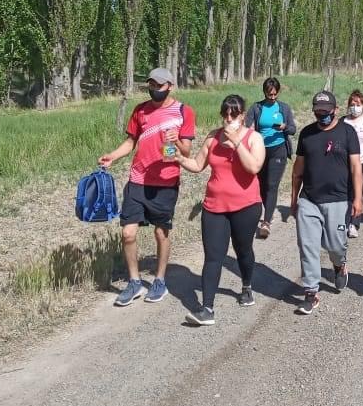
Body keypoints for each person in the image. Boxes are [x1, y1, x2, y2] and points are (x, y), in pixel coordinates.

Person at [99, 68, 196, 307]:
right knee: (127, 233)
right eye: (151, 85)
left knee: (160, 233)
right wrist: (113, 156)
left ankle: (159, 280)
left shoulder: (183, 111)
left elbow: (186, 151)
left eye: (159, 86)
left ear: (170, 86)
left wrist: (174, 142)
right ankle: (134, 282)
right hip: (138, 179)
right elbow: (131, 141)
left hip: (165, 182)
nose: (155, 90)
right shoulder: (140, 110)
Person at [177, 95, 266, 326]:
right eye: (225, 113)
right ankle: (207, 308)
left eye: (234, 114)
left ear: (242, 116)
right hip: (214, 207)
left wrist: (236, 143)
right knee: (213, 256)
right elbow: (197, 165)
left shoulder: (253, 138)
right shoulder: (212, 138)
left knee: (243, 250)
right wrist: (178, 158)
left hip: (246, 206)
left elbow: (254, 167)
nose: (229, 118)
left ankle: (246, 285)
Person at [290, 91, 363, 315]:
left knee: (335, 245)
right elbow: (298, 169)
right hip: (309, 199)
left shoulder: (347, 132)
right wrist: (294, 198)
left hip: (338, 199)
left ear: (335, 110)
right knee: (308, 246)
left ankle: (339, 264)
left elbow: (355, 168)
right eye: (318, 111)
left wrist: (358, 199)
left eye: (325, 111)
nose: (321, 115)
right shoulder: (307, 134)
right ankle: (311, 292)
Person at [244, 77, 297, 239]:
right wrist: (251, 129)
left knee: (272, 185)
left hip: (278, 149)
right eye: (269, 94)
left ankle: (266, 222)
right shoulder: (256, 107)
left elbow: (293, 129)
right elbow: (247, 126)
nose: (272, 97)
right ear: (264, 92)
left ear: (278, 93)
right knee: (261, 185)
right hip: (259, 151)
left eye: (275, 94)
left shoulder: (284, 108)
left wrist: (284, 127)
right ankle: (268, 209)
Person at [340, 89, 363, 238]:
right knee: (344, 191)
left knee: (357, 191)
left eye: (358, 104)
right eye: (352, 104)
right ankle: (342, 221)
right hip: (344, 162)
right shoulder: (343, 121)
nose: (355, 107)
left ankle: (354, 223)